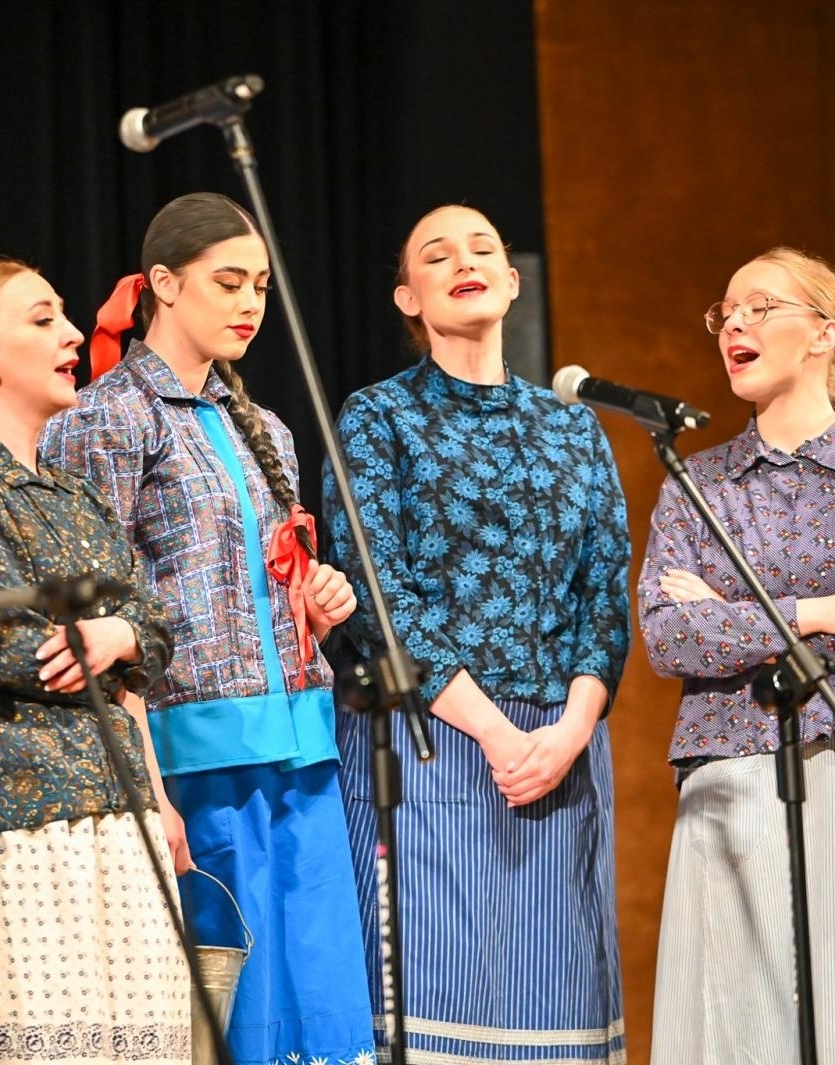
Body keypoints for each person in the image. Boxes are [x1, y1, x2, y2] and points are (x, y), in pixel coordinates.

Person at [40, 192, 373, 1065]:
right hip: (194, 752)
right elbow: (93, 608)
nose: (249, 302)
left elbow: (266, 578)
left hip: (301, 738)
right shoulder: (104, 419)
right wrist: (146, 783)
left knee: (325, 991)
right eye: (228, 281)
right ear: (162, 284)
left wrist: (321, 595)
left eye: (260, 284)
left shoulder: (265, 428)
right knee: (243, 1003)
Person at [321, 204, 629, 1062]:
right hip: (431, 743)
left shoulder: (574, 424)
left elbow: (603, 599)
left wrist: (567, 732)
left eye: (483, 246)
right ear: (406, 297)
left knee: (557, 1013)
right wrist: (500, 734)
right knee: (436, 1009)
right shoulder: (377, 418)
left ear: (513, 280)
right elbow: (383, 601)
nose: (465, 259)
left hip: (562, 757)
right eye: (436, 252)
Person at [638, 247, 835, 1064]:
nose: (734, 323)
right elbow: (670, 636)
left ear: (823, 334)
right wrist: (822, 609)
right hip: (730, 773)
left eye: (760, 306)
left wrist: (734, 616)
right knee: (738, 1021)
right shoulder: (697, 480)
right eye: (725, 313)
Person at [0, 259, 191, 1064]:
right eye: (42, 319)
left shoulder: (75, 492)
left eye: (66, 317)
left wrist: (121, 637)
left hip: (121, 801)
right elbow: (23, 649)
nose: (72, 335)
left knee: (150, 1045)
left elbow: (155, 623)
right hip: (28, 819)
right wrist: (113, 632)